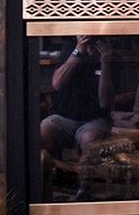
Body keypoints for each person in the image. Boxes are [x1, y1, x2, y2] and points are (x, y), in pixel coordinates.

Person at [40, 35, 114, 167]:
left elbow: (105, 102)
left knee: (90, 139)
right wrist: (78, 52)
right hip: (64, 117)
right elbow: (56, 83)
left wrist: (105, 63)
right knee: (45, 130)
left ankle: (85, 182)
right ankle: (52, 175)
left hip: (94, 119)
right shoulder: (71, 47)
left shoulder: (108, 53)